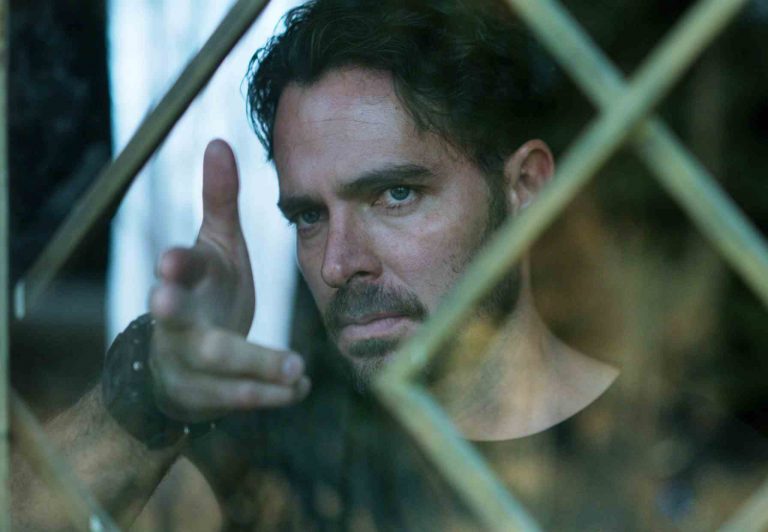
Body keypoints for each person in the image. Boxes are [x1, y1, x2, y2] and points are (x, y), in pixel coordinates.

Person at [11, 0, 618, 528]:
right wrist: (149, 391)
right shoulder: (275, 465)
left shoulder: (648, 447)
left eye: (396, 195)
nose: (337, 264)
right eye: (308, 216)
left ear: (526, 188)